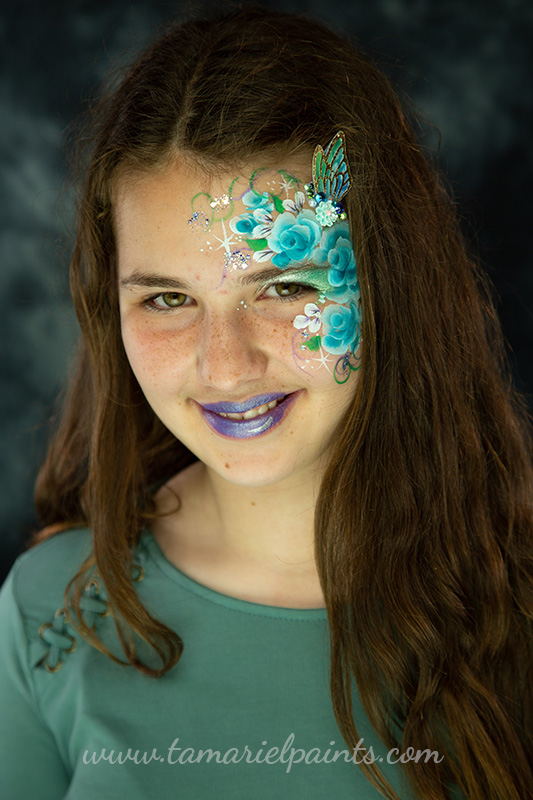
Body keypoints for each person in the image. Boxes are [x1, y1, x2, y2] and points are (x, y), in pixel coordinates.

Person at [0, 6, 531, 800]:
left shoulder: (515, 599)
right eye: (168, 300)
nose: (225, 365)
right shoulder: (46, 613)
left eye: (284, 286)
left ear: (391, 283)